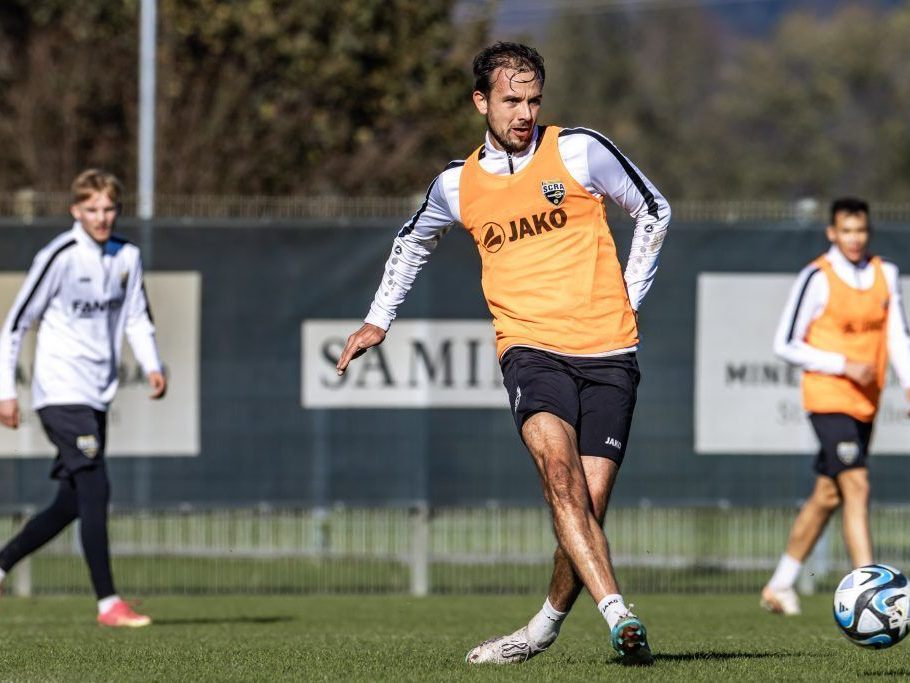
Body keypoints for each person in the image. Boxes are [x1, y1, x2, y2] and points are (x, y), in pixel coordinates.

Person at [335, 42, 670, 665]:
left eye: (533, 100)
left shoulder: (580, 150)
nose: (524, 113)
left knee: (587, 510)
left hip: (609, 351)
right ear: (481, 102)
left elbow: (654, 211)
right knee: (561, 480)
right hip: (529, 348)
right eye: (511, 100)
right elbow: (412, 243)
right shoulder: (456, 184)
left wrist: (629, 296)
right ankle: (620, 616)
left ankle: (541, 629)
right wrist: (378, 320)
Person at [0, 169, 166, 627]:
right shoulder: (59, 257)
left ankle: (2, 563)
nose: (101, 217)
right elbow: (15, 325)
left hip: (96, 394)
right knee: (96, 485)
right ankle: (108, 602)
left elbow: (136, 317)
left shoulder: (126, 256)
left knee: (71, 501)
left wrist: (152, 364)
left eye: (109, 208)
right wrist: (5, 392)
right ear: (76, 210)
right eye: (92, 209)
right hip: (60, 392)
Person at [762, 198, 910, 615]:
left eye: (860, 230)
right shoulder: (817, 276)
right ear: (832, 233)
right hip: (827, 396)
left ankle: (779, 584)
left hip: (866, 402)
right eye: (846, 231)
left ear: (869, 232)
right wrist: (842, 364)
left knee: (828, 493)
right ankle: (873, 595)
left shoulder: (885, 273)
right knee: (856, 484)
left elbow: (897, 335)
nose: (854, 238)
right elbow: (785, 343)